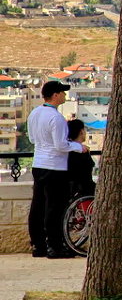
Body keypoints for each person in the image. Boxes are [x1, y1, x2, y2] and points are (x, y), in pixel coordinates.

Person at [27, 80, 86, 258]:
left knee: (38, 205)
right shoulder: (56, 117)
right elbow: (60, 145)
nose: (65, 95)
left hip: (39, 164)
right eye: (62, 92)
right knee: (55, 207)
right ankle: (55, 246)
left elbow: (31, 139)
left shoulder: (35, 113)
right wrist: (78, 147)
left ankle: (38, 245)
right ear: (55, 95)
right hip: (55, 166)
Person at [65, 119, 95, 198]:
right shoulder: (83, 152)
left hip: (70, 189)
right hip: (84, 190)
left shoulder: (66, 150)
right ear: (81, 131)